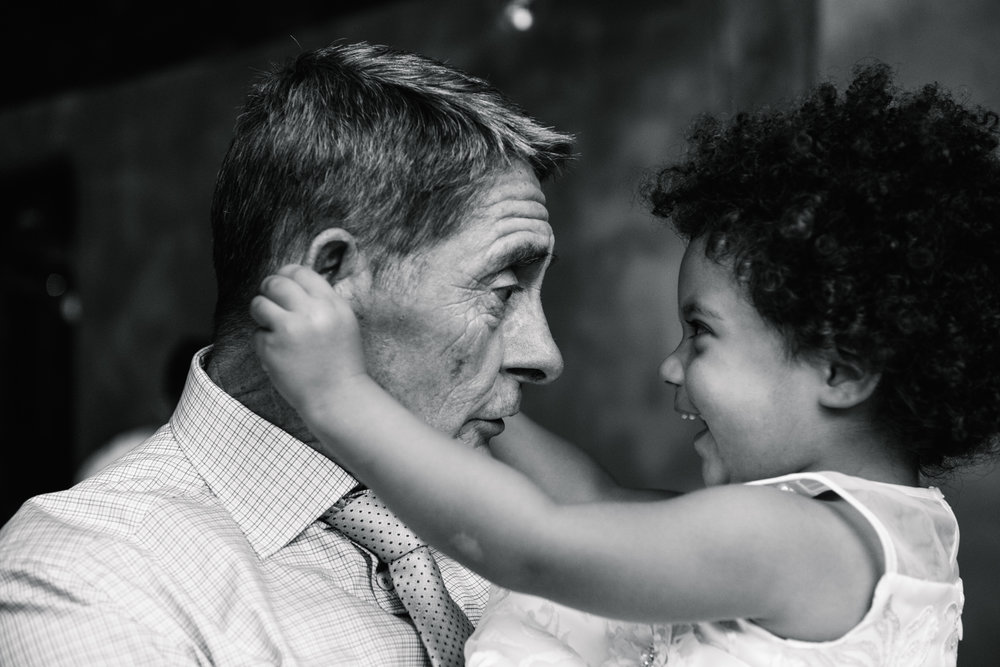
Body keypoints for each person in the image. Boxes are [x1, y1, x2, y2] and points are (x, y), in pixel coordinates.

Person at [250, 63, 1000, 666]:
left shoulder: (795, 538)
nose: (671, 367)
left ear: (841, 369)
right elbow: (589, 497)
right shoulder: (896, 532)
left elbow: (535, 543)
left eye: (700, 334)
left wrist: (340, 392)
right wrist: (477, 382)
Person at [0, 42, 573, 665]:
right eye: (503, 290)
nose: (544, 354)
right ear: (328, 278)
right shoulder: (94, 575)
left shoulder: (511, 522)